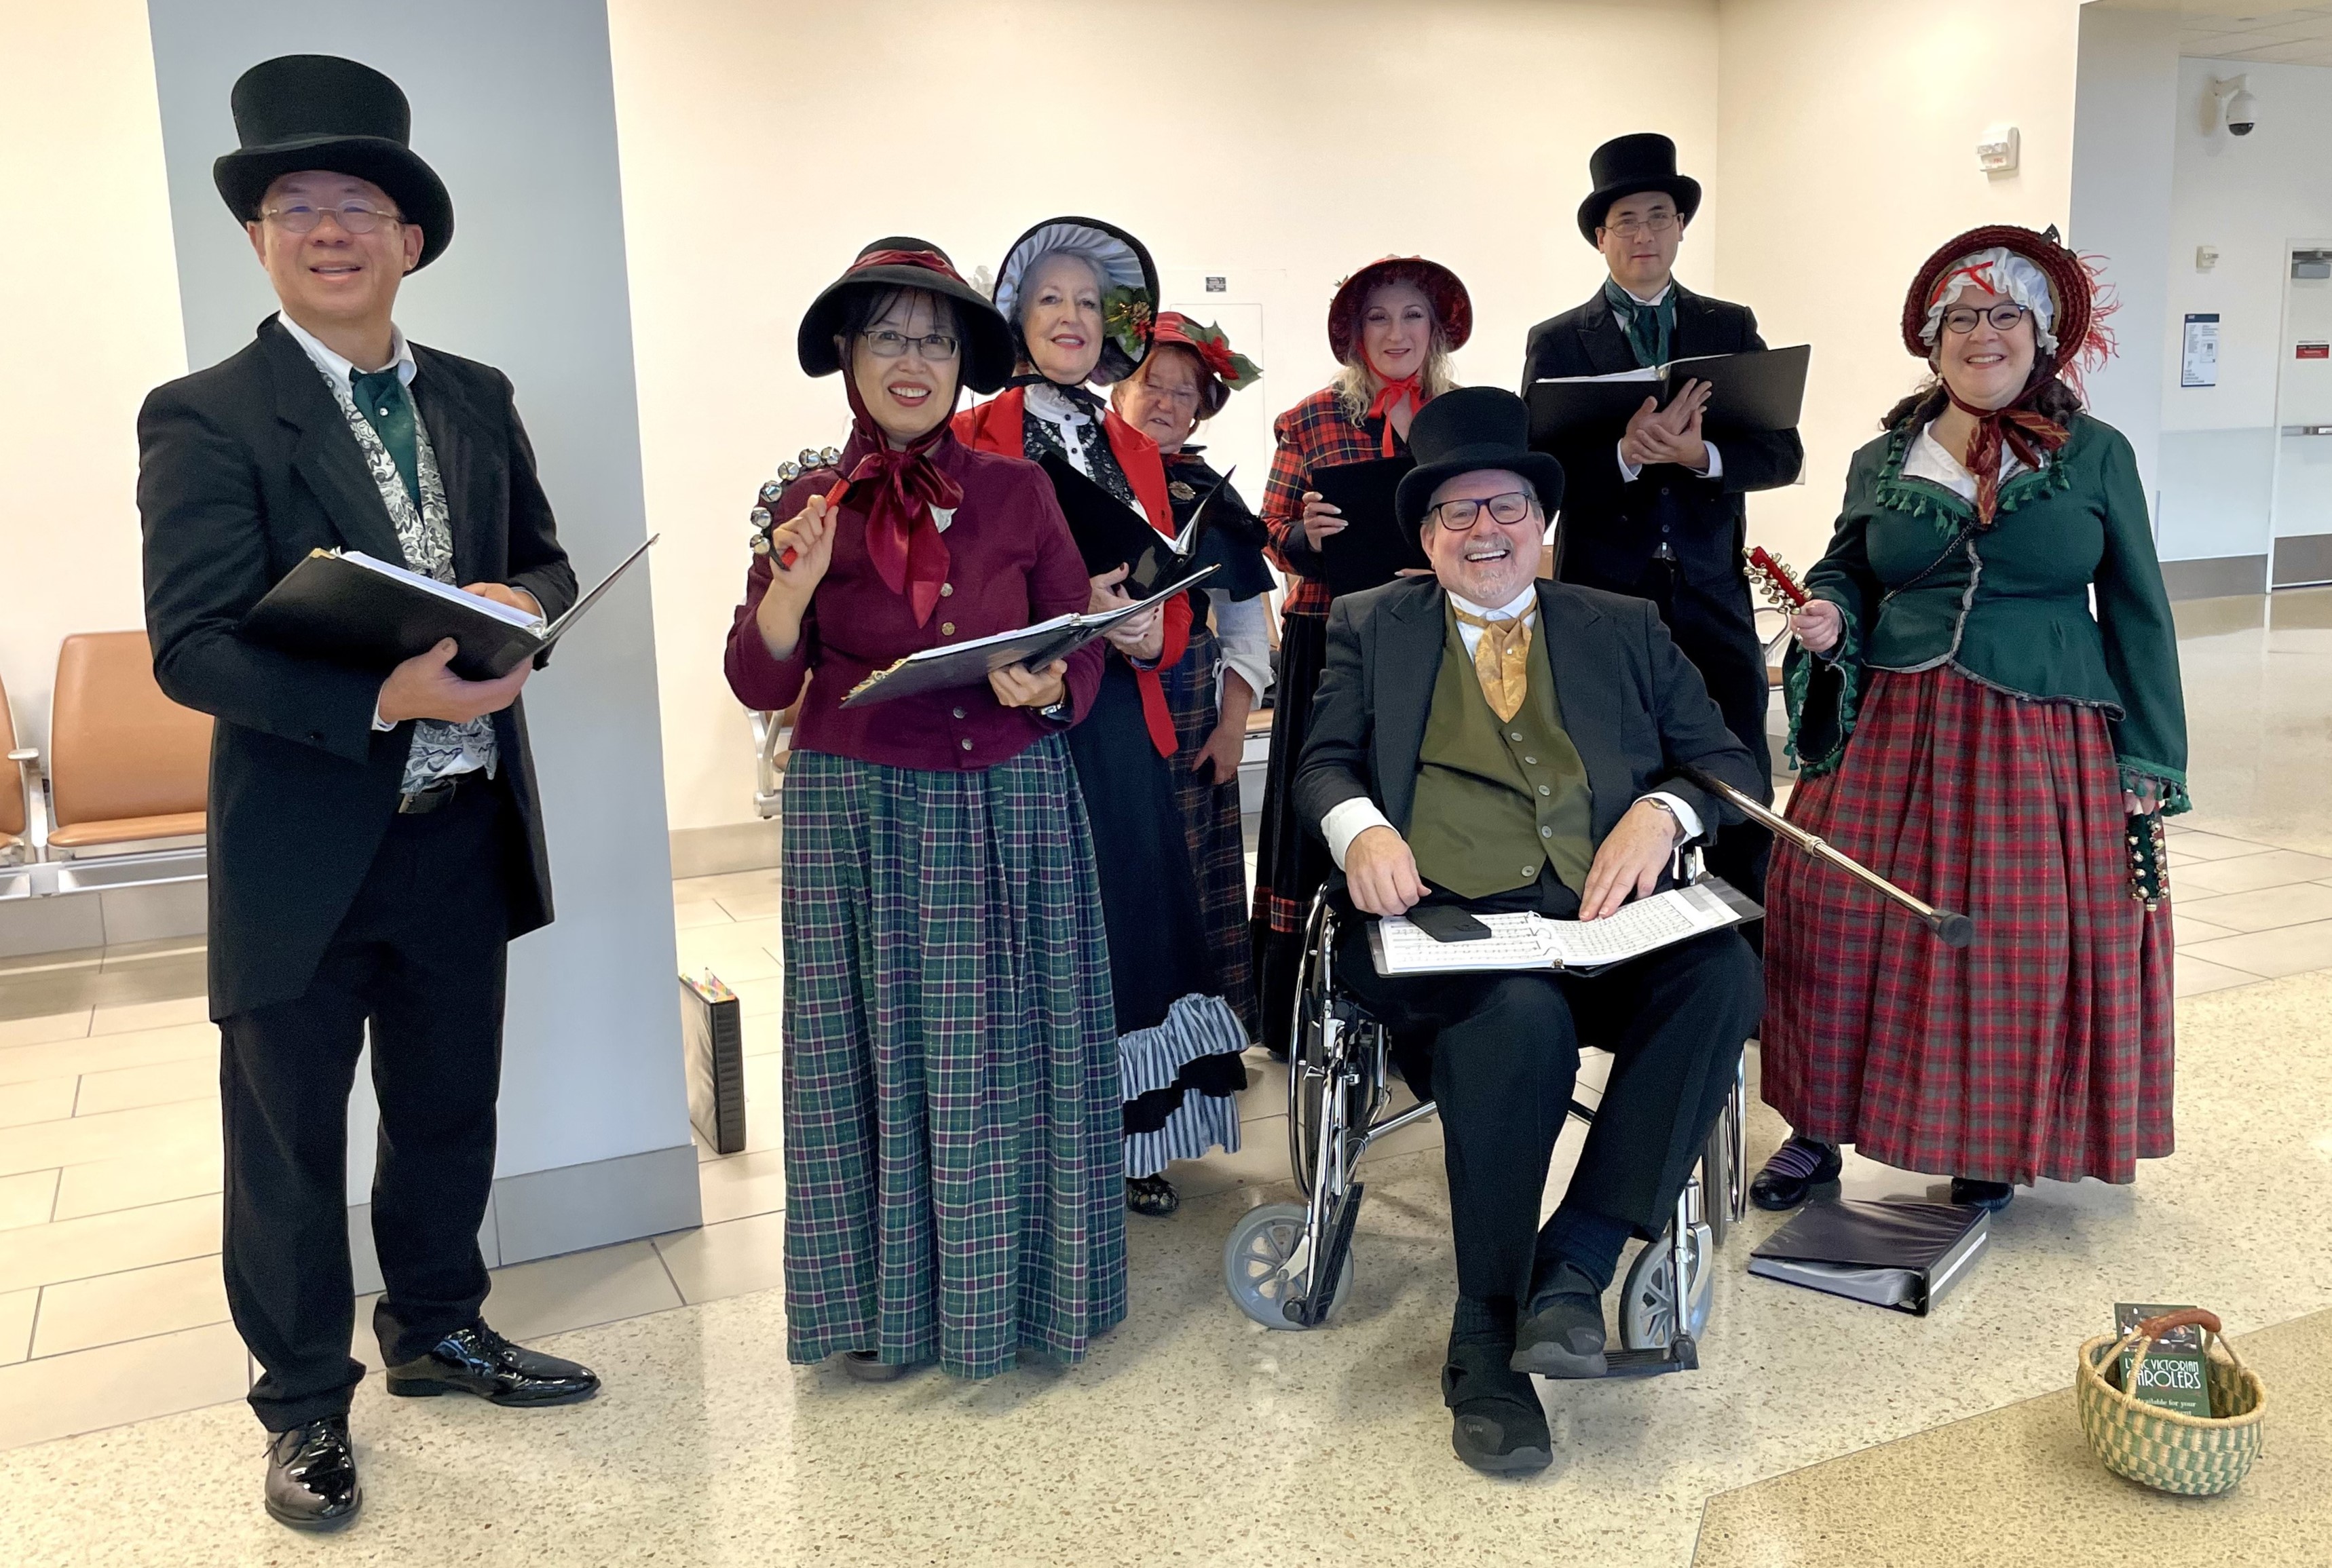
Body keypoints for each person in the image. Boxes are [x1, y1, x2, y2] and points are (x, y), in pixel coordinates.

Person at [136, 56, 597, 1533]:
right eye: (294, 206)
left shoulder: (475, 396)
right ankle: (301, 1408)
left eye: (360, 205)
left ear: (411, 238)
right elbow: (190, 648)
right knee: (284, 1143)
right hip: (298, 845)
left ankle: (438, 1327)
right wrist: (380, 696)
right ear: (261, 239)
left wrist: (510, 595)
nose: (329, 229)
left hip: (461, 830)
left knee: (447, 1104)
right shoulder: (205, 415)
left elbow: (546, 558)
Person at [1297, 386, 1765, 1476]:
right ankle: (1484, 1341)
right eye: (1456, 515)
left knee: (1722, 971)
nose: (1486, 531)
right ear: (1424, 537)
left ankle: (1578, 1255)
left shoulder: (1622, 625)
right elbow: (1322, 761)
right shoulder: (1374, 624)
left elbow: (1730, 759)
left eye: (1505, 505)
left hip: (1598, 923)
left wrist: (1666, 809)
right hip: (1450, 934)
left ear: (1540, 520)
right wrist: (1361, 827)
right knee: (1517, 1021)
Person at [726, 237, 1127, 1377]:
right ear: (847, 356)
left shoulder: (1018, 489)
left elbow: (1076, 642)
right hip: (859, 810)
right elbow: (758, 682)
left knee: (1023, 1051)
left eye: (936, 339)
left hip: (1014, 796)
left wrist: (1053, 682)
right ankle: (884, 1314)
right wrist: (791, 591)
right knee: (874, 1056)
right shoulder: (805, 499)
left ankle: (1028, 1299)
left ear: (963, 362)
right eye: (888, 336)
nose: (913, 360)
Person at [1753, 224, 2185, 1215]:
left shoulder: (2096, 456)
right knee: (1836, 912)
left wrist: (2150, 757)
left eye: (2003, 317)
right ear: (1933, 339)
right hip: (1893, 722)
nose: (1981, 335)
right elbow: (1847, 567)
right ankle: (1813, 1130)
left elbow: (2138, 609)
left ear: (2041, 338)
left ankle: (1987, 1139)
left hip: (2041, 736)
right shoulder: (1883, 456)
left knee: (2008, 940)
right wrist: (1830, 613)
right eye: (1962, 319)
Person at [956, 221, 1247, 1218]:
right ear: (1016, 320)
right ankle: (1038, 1143)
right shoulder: (968, 435)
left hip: (1124, 710)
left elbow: (1167, 576)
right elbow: (955, 588)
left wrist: (1147, 634)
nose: (1073, 319)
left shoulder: (1129, 440)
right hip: (1020, 717)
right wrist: (1059, 602)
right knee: (1033, 927)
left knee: (1128, 915)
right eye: (1052, 301)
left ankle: (1131, 1136)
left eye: (1089, 303)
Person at [1522, 133, 1804, 919]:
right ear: (1600, 238)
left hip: (1711, 590)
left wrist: (1700, 452)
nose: (1642, 236)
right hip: (1602, 595)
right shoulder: (1556, 341)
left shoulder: (1729, 325)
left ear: (1681, 227)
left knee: (1739, 762)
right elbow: (1537, 478)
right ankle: (1621, 940)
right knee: (1610, 766)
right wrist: (1618, 454)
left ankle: (1748, 956)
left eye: (1657, 217)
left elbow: (1780, 452)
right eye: (1624, 222)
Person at [1254, 255, 1471, 1054]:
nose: (1396, 332)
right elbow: (1271, 531)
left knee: (1426, 804)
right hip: (1331, 635)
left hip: (1436, 637)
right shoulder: (1309, 419)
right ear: (1354, 333)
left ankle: (1428, 997)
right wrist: (1305, 537)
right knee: (1328, 807)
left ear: (1437, 327)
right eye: (1378, 318)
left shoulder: (1463, 415)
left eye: (1412, 315)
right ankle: (1312, 1005)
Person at [1109, 311, 1273, 1042]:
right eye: (1154, 384)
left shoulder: (1212, 496)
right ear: (1118, 388)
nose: (1168, 403)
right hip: (1093, 707)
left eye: (1187, 391)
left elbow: (1244, 631)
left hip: (1187, 714)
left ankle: (1198, 1046)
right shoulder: (1077, 476)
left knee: (1190, 879)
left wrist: (1232, 729)